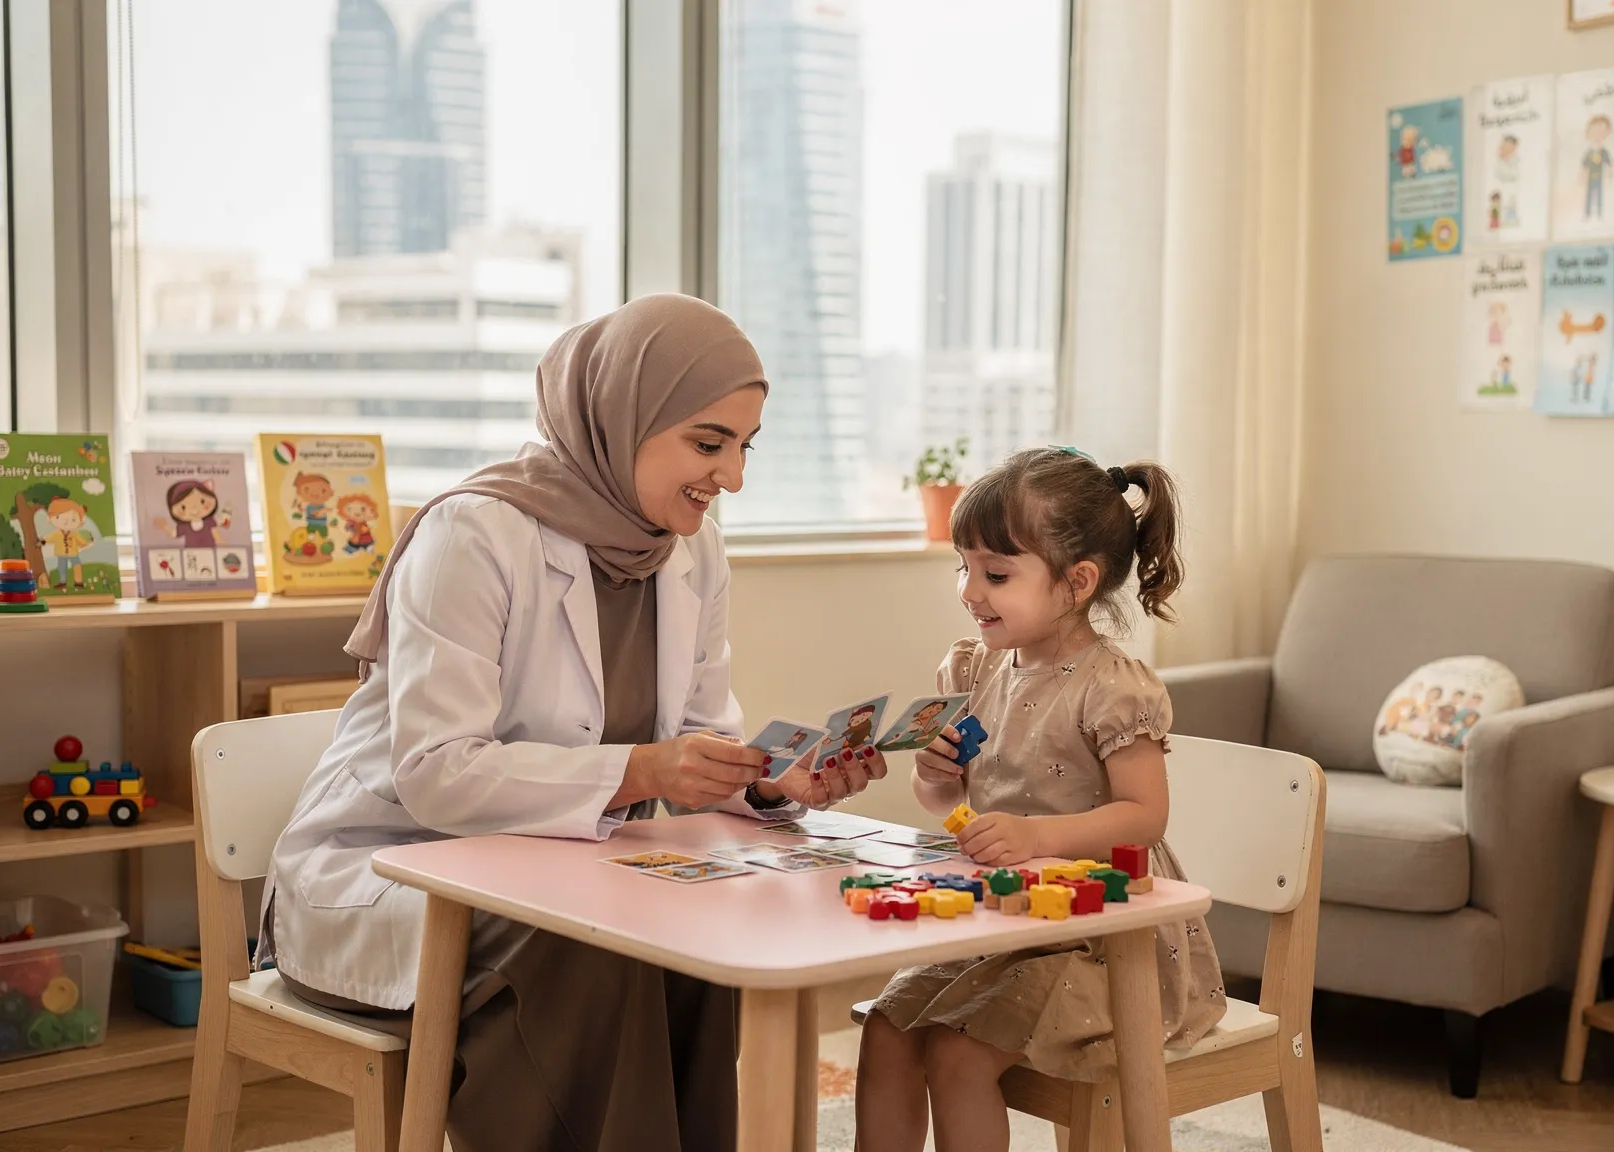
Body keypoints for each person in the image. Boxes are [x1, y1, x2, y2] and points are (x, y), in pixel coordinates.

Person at [254, 294, 886, 1152]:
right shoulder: (473, 534)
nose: (731, 475)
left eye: (744, 447)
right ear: (619, 417)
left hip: (564, 873)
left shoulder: (691, 549)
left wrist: (772, 782)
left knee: (706, 943)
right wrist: (644, 773)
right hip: (401, 869)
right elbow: (436, 770)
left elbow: (702, 733)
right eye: (708, 444)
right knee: (592, 949)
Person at [853, 447, 1224, 1152]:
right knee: (886, 1027)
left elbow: (1146, 817)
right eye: (964, 566)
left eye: (995, 573)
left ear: (1077, 583)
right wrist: (935, 775)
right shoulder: (974, 666)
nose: (970, 590)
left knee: (957, 1057)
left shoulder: (1113, 687)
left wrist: (1034, 837)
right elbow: (944, 801)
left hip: (1105, 937)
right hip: (1002, 923)